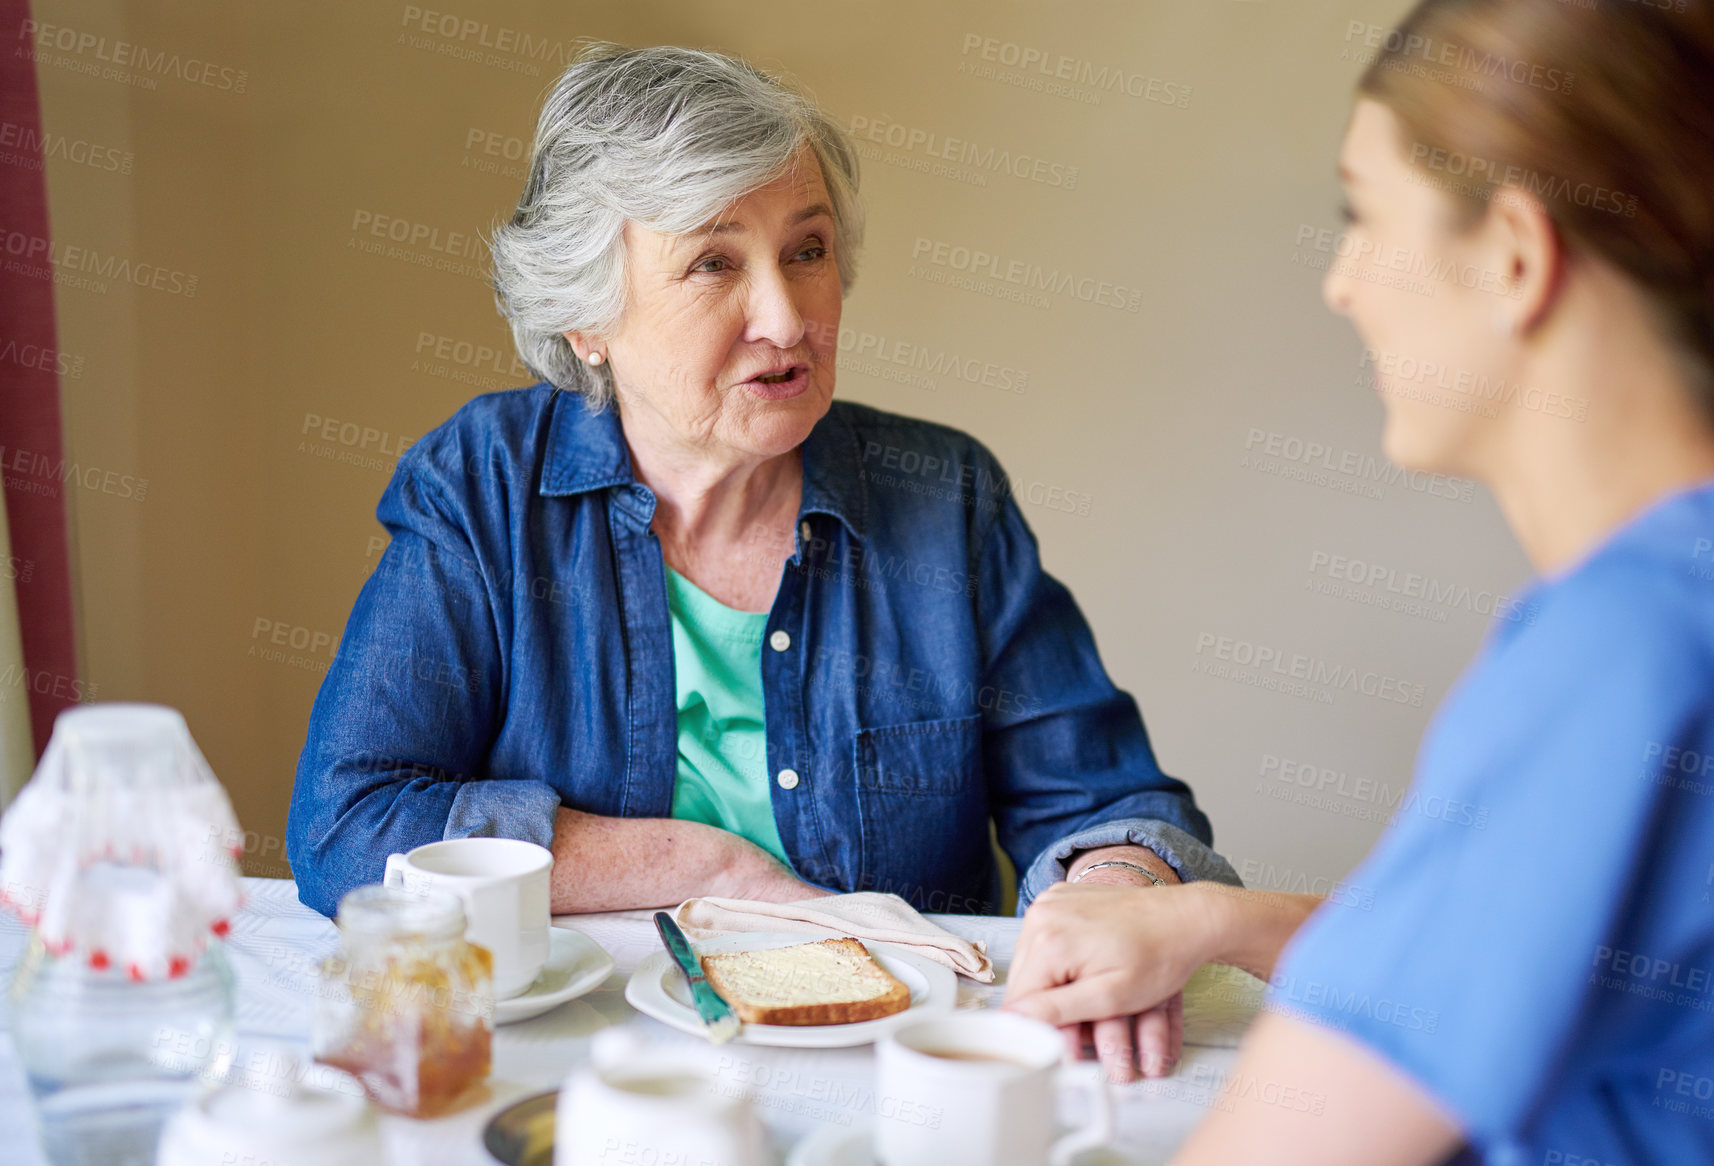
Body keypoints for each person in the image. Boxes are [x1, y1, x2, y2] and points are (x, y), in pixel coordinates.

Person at [286, 43, 1238, 1074]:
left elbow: (1110, 803)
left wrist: (1116, 891)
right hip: (582, 1068)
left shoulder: (941, 495)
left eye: (808, 249)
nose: (787, 317)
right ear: (586, 315)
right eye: (713, 261)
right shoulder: (481, 487)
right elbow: (349, 822)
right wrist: (705, 864)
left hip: (901, 1064)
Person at [1004, 0, 1714, 1156]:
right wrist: (1214, 917)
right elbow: (1507, 944)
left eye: (1363, 217)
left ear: (1514, 258)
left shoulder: (1613, 653)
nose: (1342, 282)